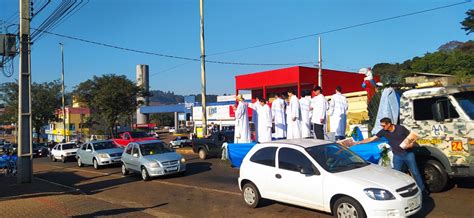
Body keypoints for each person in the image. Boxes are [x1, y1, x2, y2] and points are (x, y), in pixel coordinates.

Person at [356, 117, 427, 194]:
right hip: (397, 155)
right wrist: (361, 142)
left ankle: (422, 190)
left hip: (408, 154)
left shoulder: (401, 128)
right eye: (381, 126)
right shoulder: (383, 131)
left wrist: (411, 145)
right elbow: (372, 138)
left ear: (389, 124)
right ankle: (401, 191)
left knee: (415, 172)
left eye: (383, 126)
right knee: (397, 174)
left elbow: (411, 137)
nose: (382, 127)